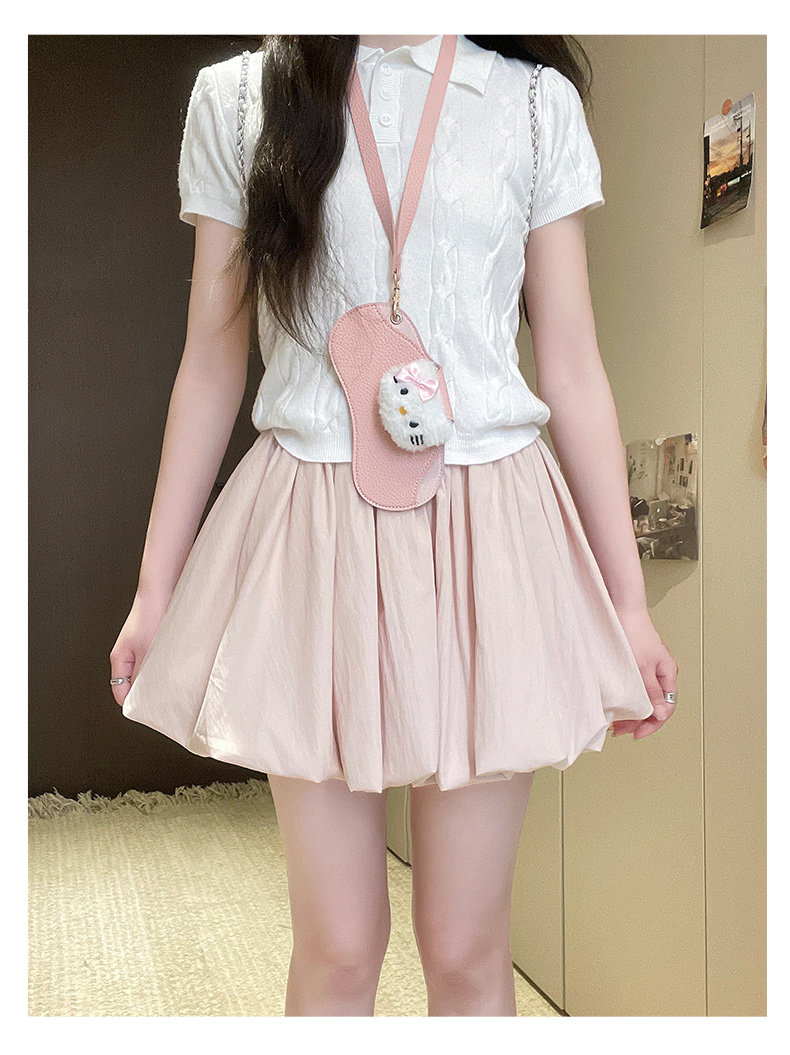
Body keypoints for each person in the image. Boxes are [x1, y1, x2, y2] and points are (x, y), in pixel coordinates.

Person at [109, 34, 679, 1017]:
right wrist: (155, 587)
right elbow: (210, 360)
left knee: (465, 943)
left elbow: (572, 362)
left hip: (489, 527)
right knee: (337, 943)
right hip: (312, 526)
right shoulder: (241, 99)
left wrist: (628, 601)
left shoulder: (532, 103)